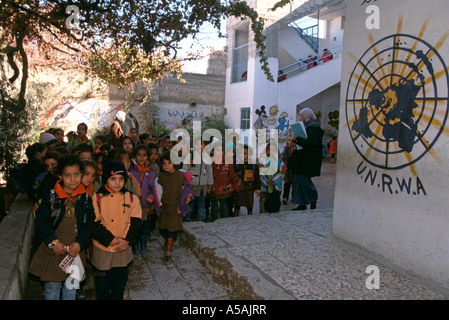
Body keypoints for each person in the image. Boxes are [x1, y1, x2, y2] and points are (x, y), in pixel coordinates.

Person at [28, 155, 95, 300]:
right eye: (68, 175)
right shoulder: (50, 198)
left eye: (76, 174)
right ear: (60, 176)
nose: (73, 179)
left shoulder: (85, 199)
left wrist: (80, 243)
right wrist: (53, 242)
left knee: (71, 289)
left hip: (75, 252)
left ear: (81, 174)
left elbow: (89, 225)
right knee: (52, 288)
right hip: (54, 252)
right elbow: (42, 223)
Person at [91, 159, 142, 300]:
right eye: (113, 179)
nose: (117, 182)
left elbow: (136, 222)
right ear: (105, 179)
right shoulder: (96, 198)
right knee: (102, 283)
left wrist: (126, 240)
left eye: (121, 179)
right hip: (103, 247)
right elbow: (94, 223)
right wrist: (110, 239)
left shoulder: (132, 198)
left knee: (119, 281)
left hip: (122, 248)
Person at [151, 151, 192, 258]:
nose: (166, 166)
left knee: (172, 228)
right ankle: (167, 241)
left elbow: (187, 188)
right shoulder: (161, 177)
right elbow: (156, 190)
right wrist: (158, 203)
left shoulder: (181, 176)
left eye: (169, 163)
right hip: (165, 207)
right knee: (163, 228)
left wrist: (188, 196)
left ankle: (169, 247)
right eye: (164, 163)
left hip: (176, 207)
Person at [291, 108, 324, 210]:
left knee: (304, 181)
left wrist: (297, 139)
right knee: (300, 181)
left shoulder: (313, 127)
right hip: (303, 160)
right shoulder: (309, 126)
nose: (300, 118)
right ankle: (303, 203)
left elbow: (310, 143)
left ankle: (312, 198)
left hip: (307, 160)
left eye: (301, 116)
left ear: (306, 116)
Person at [129, 145, 156, 254]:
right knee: (135, 223)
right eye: (139, 155)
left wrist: (152, 198)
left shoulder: (150, 172)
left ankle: (143, 242)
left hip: (145, 202)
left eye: (144, 155)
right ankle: (135, 244)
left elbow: (153, 187)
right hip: (133, 202)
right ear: (135, 156)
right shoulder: (131, 171)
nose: (141, 158)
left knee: (145, 223)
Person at [182, 140, 213, 223]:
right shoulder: (190, 156)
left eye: (201, 144)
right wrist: (185, 183)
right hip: (192, 186)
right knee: (189, 205)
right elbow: (185, 170)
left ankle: (202, 221)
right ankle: (186, 220)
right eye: (197, 144)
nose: (199, 146)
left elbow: (210, 172)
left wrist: (210, 186)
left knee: (202, 205)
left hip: (202, 186)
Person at [210, 144, 239, 221]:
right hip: (213, 189)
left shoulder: (227, 162)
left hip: (224, 189)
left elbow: (232, 174)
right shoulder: (210, 162)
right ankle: (213, 221)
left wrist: (235, 183)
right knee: (214, 207)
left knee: (224, 207)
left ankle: (225, 222)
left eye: (221, 150)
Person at [258, 142, 286, 213]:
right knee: (263, 207)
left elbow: (282, 173)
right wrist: (266, 182)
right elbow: (261, 173)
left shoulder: (280, 162)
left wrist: (273, 182)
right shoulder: (262, 161)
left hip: (276, 188)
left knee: (274, 208)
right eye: (269, 149)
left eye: (274, 150)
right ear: (267, 151)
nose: (271, 151)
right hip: (264, 189)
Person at [234, 145, 260, 216]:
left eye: (245, 153)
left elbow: (257, 177)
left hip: (250, 189)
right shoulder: (237, 164)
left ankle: (250, 217)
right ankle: (235, 217)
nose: (242, 155)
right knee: (237, 204)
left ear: (249, 155)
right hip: (240, 188)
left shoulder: (253, 165)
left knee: (249, 205)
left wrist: (257, 189)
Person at [280, 135, 295, 205]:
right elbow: (282, 157)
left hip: (294, 170)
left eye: (291, 140)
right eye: (288, 140)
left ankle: (294, 197)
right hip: (287, 169)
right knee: (287, 184)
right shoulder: (286, 149)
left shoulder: (296, 149)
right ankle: (285, 197)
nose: (290, 142)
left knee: (294, 184)